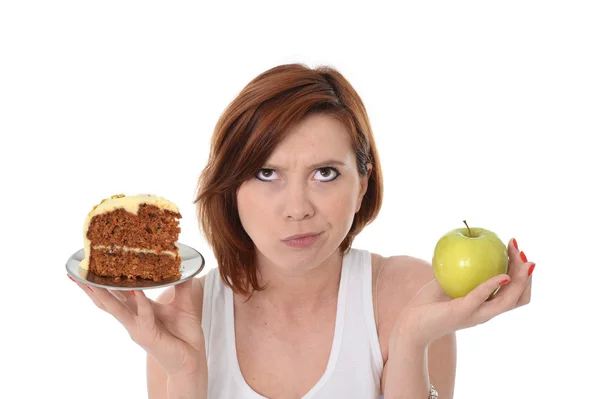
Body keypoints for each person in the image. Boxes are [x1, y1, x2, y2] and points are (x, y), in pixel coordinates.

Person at [69, 63, 534, 399]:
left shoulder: (409, 295)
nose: (297, 209)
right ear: (231, 188)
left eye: (325, 173)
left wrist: (412, 341)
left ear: (363, 181)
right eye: (267, 174)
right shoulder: (184, 311)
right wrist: (187, 372)